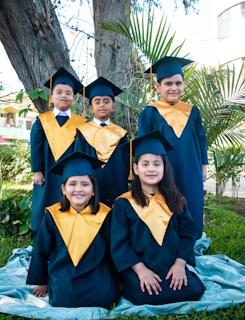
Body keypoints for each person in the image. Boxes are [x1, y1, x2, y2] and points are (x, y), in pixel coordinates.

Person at [110, 131, 205, 305]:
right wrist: (141, 271)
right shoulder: (124, 204)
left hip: (171, 266)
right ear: (136, 169)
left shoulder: (177, 201)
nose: (151, 169)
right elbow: (119, 244)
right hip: (139, 266)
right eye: (145, 164)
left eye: (157, 164)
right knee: (145, 296)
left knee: (194, 290)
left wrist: (179, 264)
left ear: (164, 168)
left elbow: (188, 234)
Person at [26, 151, 121, 308]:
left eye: (85, 184)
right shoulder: (52, 215)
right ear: (63, 189)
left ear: (93, 190)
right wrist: (41, 282)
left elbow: (113, 249)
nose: (79, 189)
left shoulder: (105, 214)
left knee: (107, 298)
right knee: (65, 300)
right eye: (72, 184)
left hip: (96, 272)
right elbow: (41, 249)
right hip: (64, 273)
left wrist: (118, 278)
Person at [137, 56, 208, 239]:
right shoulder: (150, 112)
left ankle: (190, 245)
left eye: (178, 83)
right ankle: (167, 244)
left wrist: (204, 167)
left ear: (184, 85)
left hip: (190, 168)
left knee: (192, 202)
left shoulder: (193, 111)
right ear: (158, 87)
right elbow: (143, 143)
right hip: (162, 169)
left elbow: (201, 140)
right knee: (165, 204)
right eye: (168, 84)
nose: (174, 88)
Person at [30, 67, 86, 236]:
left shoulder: (80, 122)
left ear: (73, 98)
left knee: (68, 201)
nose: (64, 95)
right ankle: (42, 237)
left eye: (68, 93)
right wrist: (37, 170)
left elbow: (82, 149)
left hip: (70, 172)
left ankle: (66, 236)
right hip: (46, 171)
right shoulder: (42, 121)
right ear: (51, 97)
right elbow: (36, 147)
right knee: (44, 202)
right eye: (59, 92)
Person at [74, 76, 129, 207]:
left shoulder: (120, 133)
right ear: (91, 108)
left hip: (117, 182)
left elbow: (126, 162)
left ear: (113, 107)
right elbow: (78, 161)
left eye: (106, 101)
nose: (102, 105)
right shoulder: (83, 132)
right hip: (91, 184)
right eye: (97, 102)